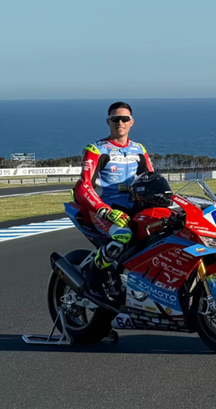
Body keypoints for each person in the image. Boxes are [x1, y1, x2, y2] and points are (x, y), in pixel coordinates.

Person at [73, 101, 154, 292]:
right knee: (122, 235)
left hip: (134, 208)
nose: (120, 123)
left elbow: (152, 180)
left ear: (131, 122)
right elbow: (83, 187)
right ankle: (94, 277)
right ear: (108, 121)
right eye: (115, 119)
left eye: (124, 119)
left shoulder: (139, 149)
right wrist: (105, 211)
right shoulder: (96, 149)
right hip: (104, 209)